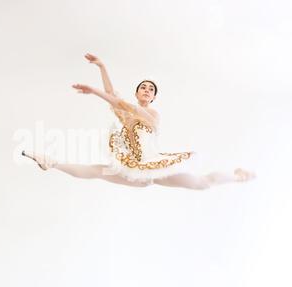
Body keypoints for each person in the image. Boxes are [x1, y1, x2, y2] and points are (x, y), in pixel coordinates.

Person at [22, 53, 255, 190]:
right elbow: (114, 95)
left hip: (153, 166)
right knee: (96, 171)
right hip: (133, 168)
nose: (146, 89)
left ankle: (238, 176)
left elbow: (119, 103)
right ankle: (51, 163)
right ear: (136, 93)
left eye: (150, 89)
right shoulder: (126, 112)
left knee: (202, 183)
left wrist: (95, 92)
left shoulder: (152, 115)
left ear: (153, 97)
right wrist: (102, 67)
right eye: (143, 87)